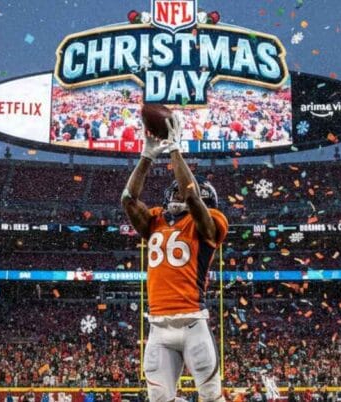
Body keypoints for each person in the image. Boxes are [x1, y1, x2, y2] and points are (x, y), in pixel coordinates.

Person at [122, 110, 228, 402]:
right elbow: (128, 200)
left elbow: (193, 197)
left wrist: (175, 149)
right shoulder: (155, 220)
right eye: (176, 194)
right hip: (157, 325)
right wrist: (146, 157)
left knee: (211, 396)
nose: (178, 197)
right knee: (159, 400)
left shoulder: (211, 221)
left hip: (193, 321)